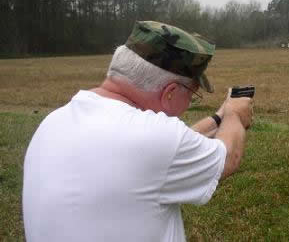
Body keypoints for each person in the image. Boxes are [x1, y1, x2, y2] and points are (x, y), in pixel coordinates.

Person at [23, 21, 253, 242]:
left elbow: (163, 151)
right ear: (170, 92)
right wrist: (234, 114)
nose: (189, 103)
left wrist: (218, 118)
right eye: (192, 95)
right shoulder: (156, 138)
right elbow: (226, 158)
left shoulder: (54, 121)